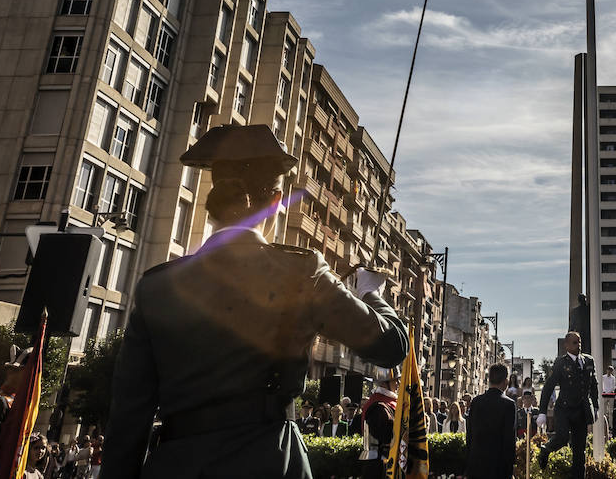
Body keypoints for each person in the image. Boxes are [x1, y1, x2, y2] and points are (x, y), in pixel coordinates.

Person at [101, 124, 409, 479]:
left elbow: (128, 416)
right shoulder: (302, 270)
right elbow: (391, 347)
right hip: (270, 460)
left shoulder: (157, 285)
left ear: (212, 204)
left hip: (176, 463)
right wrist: (372, 293)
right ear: (276, 203)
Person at [538, 331, 598, 479]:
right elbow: (549, 386)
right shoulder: (560, 362)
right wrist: (542, 411)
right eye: (574, 342)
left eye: (579, 342)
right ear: (566, 345)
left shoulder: (589, 360)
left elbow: (594, 385)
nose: (578, 345)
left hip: (582, 410)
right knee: (562, 437)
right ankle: (545, 450)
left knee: (580, 452)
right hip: (564, 408)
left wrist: (595, 406)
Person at [466, 364, 516, 479]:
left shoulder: (476, 402)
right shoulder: (509, 404)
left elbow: (470, 435)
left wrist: (468, 465)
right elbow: (509, 439)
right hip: (499, 467)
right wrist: (510, 469)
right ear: (506, 381)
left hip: (476, 464)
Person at [358, 368, 399, 479]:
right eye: (394, 380)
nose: (398, 384)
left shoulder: (386, 403)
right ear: (383, 383)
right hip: (379, 462)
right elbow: (385, 435)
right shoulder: (378, 406)